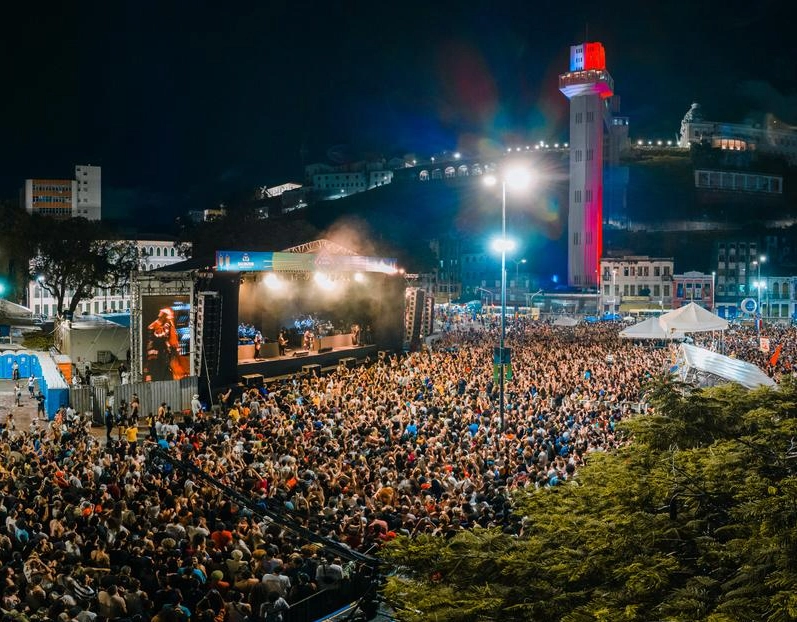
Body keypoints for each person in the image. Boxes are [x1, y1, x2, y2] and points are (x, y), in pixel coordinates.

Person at [145, 307, 186, 381]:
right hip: (157, 354)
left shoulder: (167, 325)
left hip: (164, 354)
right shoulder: (155, 326)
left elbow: (169, 337)